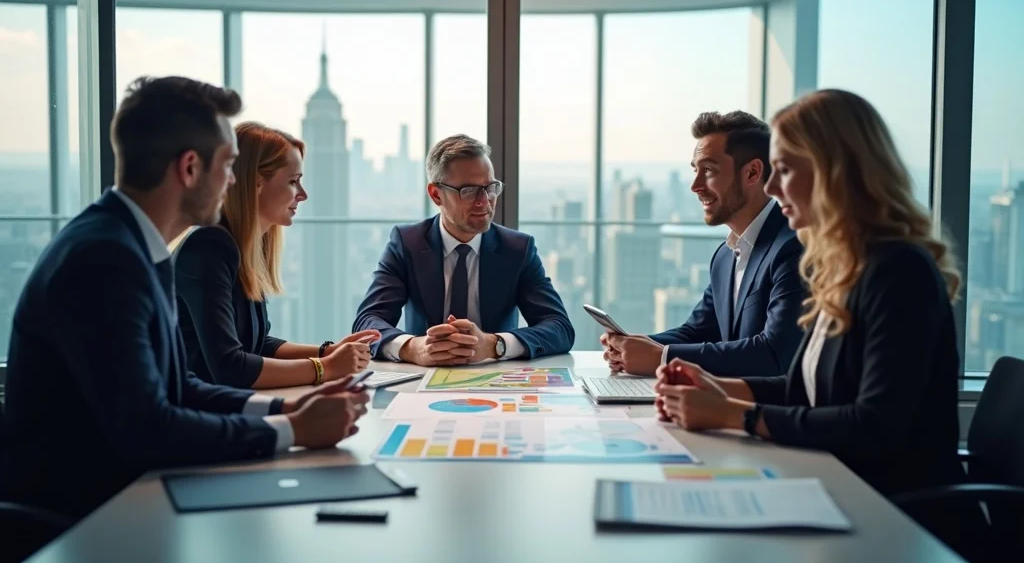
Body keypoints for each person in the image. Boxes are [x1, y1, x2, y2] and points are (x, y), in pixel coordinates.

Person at [0, 76, 369, 523]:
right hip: (86, 517)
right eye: (230, 165)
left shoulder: (136, 246)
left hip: (129, 493)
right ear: (190, 168)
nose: (234, 181)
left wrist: (286, 408)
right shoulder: (104, 260)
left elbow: (180, 389)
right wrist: (291, 430)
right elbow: (148, 429)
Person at [655, 89, 981, 556]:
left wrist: (735, 415)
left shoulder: (898, 271)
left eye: (784, 170)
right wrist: (718, 386)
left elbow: (874, 427)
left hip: (897, 520)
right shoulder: (843, 267)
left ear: (834, 171)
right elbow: (807, 389)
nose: (769, 188)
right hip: (840, 494)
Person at [172, 121, 379, 389]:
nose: (302, 195)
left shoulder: (240, 246)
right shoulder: (208, 248)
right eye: (293, 182)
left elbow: (258, 345)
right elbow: (230, 367)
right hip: (196, 417)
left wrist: (327, 352)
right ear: (255, 183)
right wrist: (325, 368)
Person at [602, 111, 805, 377]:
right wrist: (633, 346)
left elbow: (774, 353)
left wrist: (661, 357)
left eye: (708, 170)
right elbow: (697, 331)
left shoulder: (792, 248)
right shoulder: (725, 256)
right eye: (695, 170)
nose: (695, 185)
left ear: (753, 172)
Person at [353, 134, 574, 365]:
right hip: (421, 379)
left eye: (490, 188)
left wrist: (494, 345)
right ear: (436, 194)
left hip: (496, 379)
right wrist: (413, 348)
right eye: (469, 191)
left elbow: (559, 328)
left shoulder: (518, 249)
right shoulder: (407, 243)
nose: (484, 201)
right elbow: (368, 321)